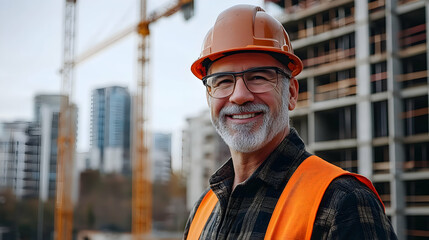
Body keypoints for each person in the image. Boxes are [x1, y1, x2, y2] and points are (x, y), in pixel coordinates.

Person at [183, 4, 397, 240]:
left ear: (292, 94)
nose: (239, 95)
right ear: (209, 97)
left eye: (258, 77)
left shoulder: (343, 203)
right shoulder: (202, 209)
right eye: (223, 81)